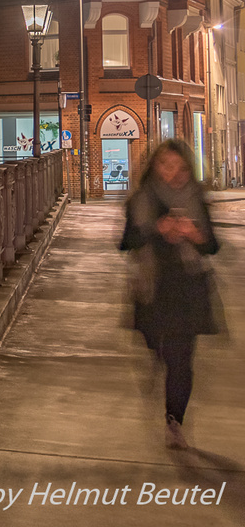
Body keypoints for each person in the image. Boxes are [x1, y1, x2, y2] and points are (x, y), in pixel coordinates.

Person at [119, 139, 220, 449]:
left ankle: (174, 419)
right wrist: (157, 230)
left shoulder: (196, 198)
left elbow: (212, 246)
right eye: (165, 165)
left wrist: (194, 234)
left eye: (178, 167)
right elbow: (126, 242)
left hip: (188, 288)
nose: (172, 173)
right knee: (158, 347)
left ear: (187, 168)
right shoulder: (142, 198)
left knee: (181, 360)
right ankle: (157, 356)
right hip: (152, 288)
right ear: (155, 166)